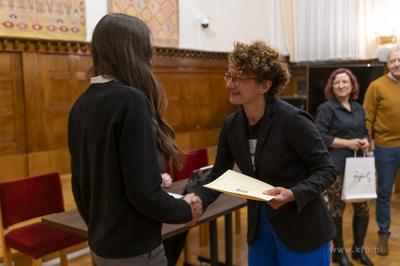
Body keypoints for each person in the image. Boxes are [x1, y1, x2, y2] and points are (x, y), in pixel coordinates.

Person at [68, 13, 202, 266]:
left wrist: (99, 230)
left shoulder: (80, 104)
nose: (150, 59)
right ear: (133, 53)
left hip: (102, 245)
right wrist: (185, 208)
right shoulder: (130, 100)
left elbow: (80, 185)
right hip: (133, 249)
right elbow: (144, 194)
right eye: (146, 51)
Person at [195, 40, 337, 266]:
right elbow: (219, 174)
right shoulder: (231, 125)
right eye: (228, 76)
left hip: (301, 227)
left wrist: (293, 193)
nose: (230, 84)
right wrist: (197, 200)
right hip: (260, 228)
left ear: (264, 86)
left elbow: (327, 170)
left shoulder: (292, 120)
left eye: (239, 78)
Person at [315, 68, 373, 266]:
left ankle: (358, 250)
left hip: (359, 166)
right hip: (337, 166)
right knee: (337, 210)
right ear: (332, 86)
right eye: (336, 82)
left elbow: (365, 131)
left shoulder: (358, 107)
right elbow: (320, 136)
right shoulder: (326, 108)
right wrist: (348, 143)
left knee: (363, 208)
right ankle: (339, 253)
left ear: (352, 85)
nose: (341, 86)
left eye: (345, 82)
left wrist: (365, 141)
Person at [363, 45, 400, 256]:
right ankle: (383, 234)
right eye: (392, 61)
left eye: (399, 60)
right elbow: (367, 118)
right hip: (386, 148)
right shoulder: (377, 86)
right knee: (385, 192)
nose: (396, 64)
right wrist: (367, 146)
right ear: (387, 65)